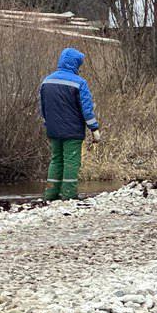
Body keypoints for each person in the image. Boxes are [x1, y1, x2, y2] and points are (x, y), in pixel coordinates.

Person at [38, 48, 101, 201]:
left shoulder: (47, 81)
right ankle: (69, 194)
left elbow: (42, 107)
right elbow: (87, 109)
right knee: (71, 161)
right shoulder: (79, 83)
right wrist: (94, 128)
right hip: (72, 130)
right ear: (75, 64)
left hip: (53, 129)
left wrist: (48, 123)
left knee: (56, 159)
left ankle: (51, 194)